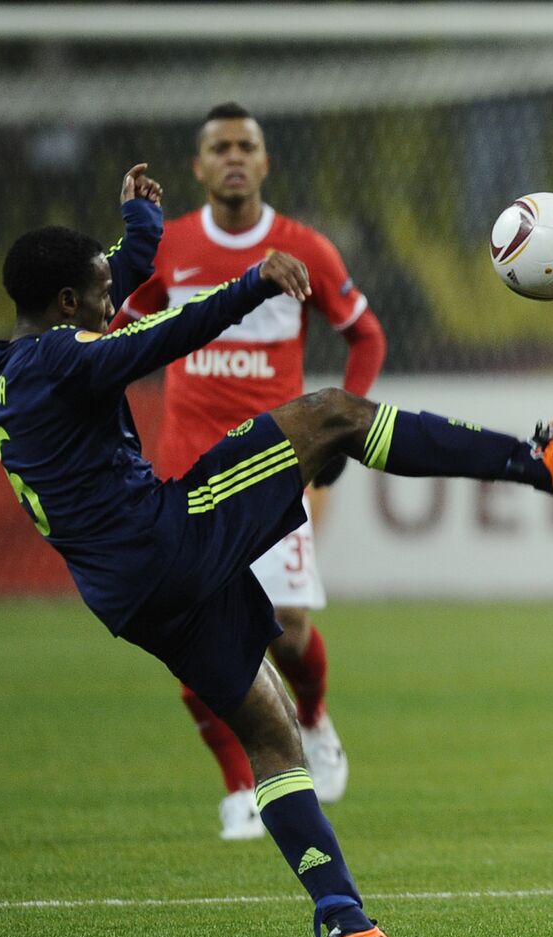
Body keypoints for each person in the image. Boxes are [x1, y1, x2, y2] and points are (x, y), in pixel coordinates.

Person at [0, 165, 553, 937]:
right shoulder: (68, 359)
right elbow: (157, 334)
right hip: (167, 540)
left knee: (270, 731)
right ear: (64, 306)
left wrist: (138, 224)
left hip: (124, 595)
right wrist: (250, 284)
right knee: (331, 414)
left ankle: (345, 923)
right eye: (93, 295)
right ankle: (540, 462)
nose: (107, 301)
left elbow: (118, 289)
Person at [112, 103, 385, 839]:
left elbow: (364, 333)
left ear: (265, 162)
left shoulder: (307, 249)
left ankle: (316, 719)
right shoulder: (172, 249)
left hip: (272, 467)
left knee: (286, 628)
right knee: (191, 640)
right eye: (220, 147)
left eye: (247, 145)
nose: (234, 156)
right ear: (199, 167)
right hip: (183, 475)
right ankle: (240, 787)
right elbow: (113, 332)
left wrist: (341, 432)